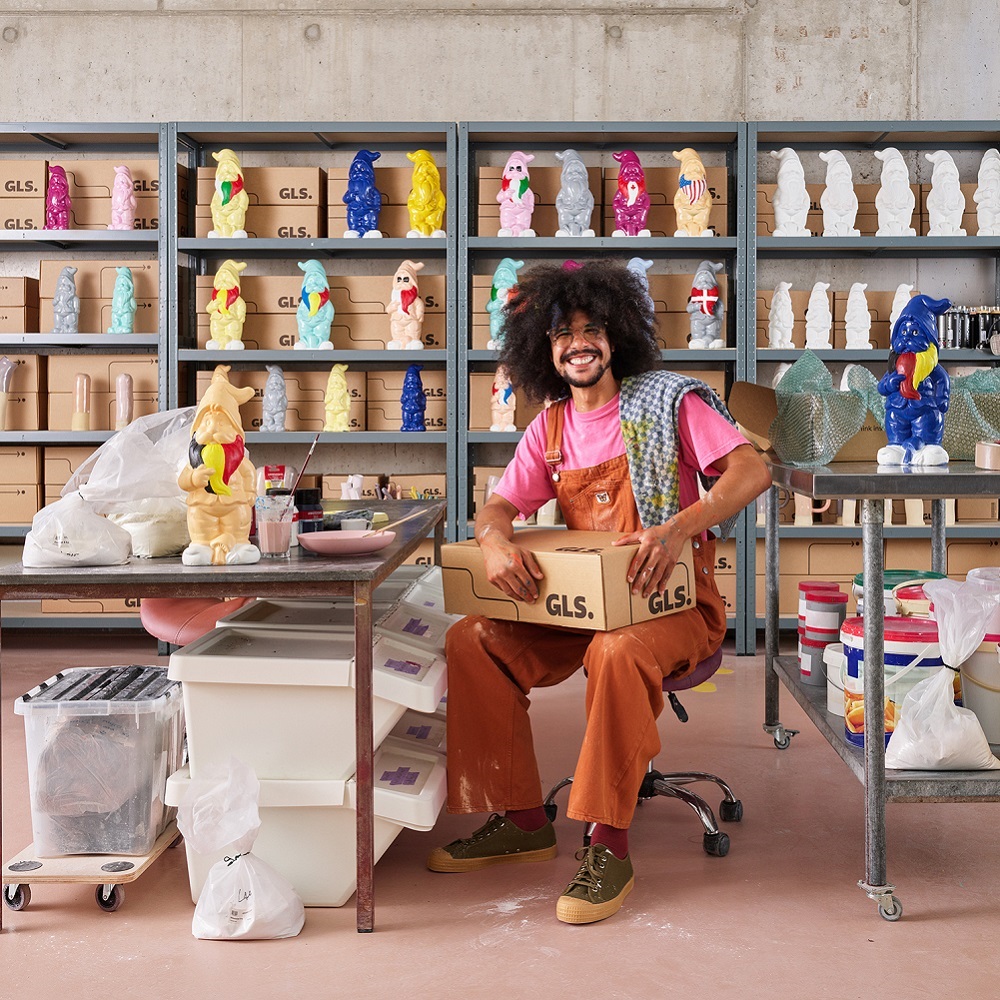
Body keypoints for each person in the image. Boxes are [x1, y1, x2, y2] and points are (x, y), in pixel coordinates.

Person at [428, 260, 771, 924]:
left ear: (616, 337)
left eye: (592, 330)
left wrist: (678, 528)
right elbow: (498, 506)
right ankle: (524, 820)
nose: (578, 344)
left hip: (677, 606)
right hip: (587, 608)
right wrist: (495, 542)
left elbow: (750, 471)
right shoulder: (550, 428)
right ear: (545, 349)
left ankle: (609, 844)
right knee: (472, 638)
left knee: (616, 651)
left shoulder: (671, 401)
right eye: (562, 334)